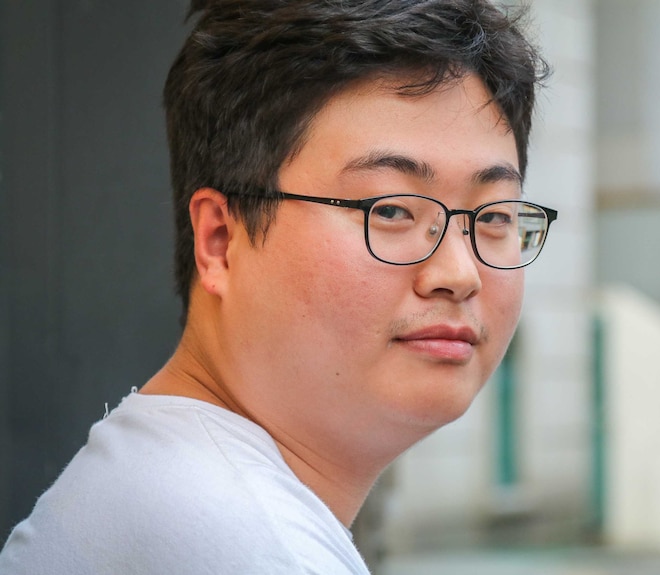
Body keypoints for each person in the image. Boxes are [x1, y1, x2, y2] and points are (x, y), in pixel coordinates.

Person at [0, 0, 555, 573]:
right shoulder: (242, 543)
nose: (458, 274)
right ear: (220, 238)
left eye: (494, 216)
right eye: (390, 210)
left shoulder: (162, 485)